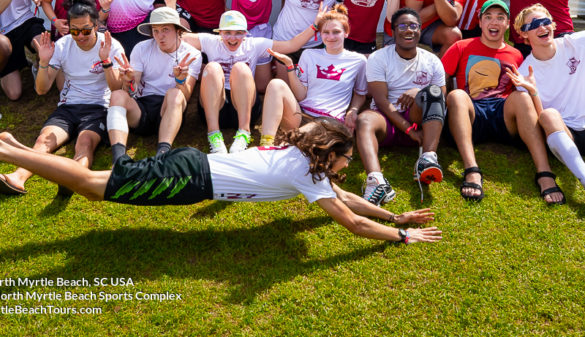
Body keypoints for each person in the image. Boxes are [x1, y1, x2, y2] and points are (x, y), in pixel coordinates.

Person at [0, 121, 442, 245]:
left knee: (97, 181)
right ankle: (10, 153)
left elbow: (345, 197)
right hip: (188, 179)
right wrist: (402, 234)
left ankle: (14, 147)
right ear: (329, 154)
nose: (348, 169)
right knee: (92, 187)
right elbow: (352, 223)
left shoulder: (301, 154)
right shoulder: (305, 174)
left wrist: (393, 213)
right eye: (346, 159)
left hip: (194, 167)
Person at [442, 0, 565, 204]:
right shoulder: (460, 46)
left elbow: (522, 93)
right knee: (456, 95)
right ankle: (472, 170)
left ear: (507, 24)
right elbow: (440, 80)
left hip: (502, 115)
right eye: (488, 17)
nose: (494, 22)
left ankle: (544, 173)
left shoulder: (516, 55)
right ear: (480, 22)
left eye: (500, 18)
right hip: (472, 112)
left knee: (522, 96)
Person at [0, 0, 124, 196]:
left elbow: (117, 87)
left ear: (96, 26)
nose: (80, 36)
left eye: (85, 30)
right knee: (42, 142)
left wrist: (106, 61)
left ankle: (74, 179)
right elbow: (41, 89)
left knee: (84, 144)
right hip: (68, 107)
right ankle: (18, 177)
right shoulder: (63, 45)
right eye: (75, 31)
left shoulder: (110, 45)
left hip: (99, 108)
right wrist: (43, 62)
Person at [182, 8, 327, 154]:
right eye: (227, 33)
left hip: (245, 106)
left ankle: (244, 133)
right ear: (219, 33)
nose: (233, 38)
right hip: (216, 107)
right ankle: (214, 135)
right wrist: (171, 5)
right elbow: (180, 36)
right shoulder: (210, 41)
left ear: (245, 34)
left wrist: (315, 25)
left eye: (238, 33)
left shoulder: (254, 44)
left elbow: (291, 45)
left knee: (240, 68)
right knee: (212, 67)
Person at [356, 8, 446, 205]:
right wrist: (407, 129)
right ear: (393, 31)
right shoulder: (379, 57)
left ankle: (428, 159)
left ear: (420, 30)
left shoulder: (432, 61)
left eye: (414, 26)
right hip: (387, 119)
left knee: (432, 92)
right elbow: (380, 100)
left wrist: (417, 92)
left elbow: (441, 98)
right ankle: (375, 180)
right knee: (364, 119)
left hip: (418, 120)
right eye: (402, 26)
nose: (409, 30)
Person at [107, 7, 202, 164]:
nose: (160, 36)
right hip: (142, 108)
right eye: (155, 31)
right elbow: (131, 91)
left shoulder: (192, 54)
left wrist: (179, 80)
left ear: (178, 31)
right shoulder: (141, 48)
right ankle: (118, 159)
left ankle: (162, 155)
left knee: (175, 94)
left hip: (170, 109)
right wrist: (128, 81)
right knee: (117, 95)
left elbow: (185, 96)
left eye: (165, 30)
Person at [260, 4, 367, 142]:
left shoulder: (358, 61)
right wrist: (290, 67)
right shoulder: (309, 54)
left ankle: (291, 140)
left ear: (346, 33)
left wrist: (353, 110)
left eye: (336, 32)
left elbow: (360, 94)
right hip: (302, 114)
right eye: (325, 32)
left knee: (301, 138)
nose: (330, 37)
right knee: (276, 84)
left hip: (330, 121)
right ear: (320, 34)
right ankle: (266, 143)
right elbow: (301, 95)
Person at [508, 5, 585, 192]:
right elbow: (540, 122)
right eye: (534, 24)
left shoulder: (575, 43)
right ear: (523, 34)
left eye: (545, 22)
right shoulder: (525, 73)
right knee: (550, 114)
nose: (542, 27)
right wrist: (533, 92)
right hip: (566, 134)